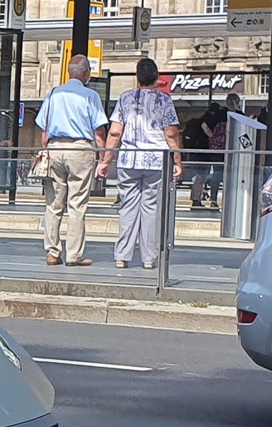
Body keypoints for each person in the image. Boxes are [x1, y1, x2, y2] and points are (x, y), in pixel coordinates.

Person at [104, 56, 181, 270]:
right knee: (151, 209)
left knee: (128, 207)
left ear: (137, 78)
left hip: (128, 160)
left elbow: (115, 131)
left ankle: (122, 256)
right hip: (157, 162)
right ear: (156, 77)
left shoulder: (125, 98)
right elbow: (172, 133)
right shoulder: (165, 100)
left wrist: (105, 160)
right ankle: (149, 258)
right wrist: (177, 161)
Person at [36, 54, 108, 266]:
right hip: (80, 149)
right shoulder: (91, 96)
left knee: (53, 203)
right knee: (77, 204)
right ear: (86, 74)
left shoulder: (54, 94)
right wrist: (103, 158)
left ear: (69, 72)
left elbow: (44, 129)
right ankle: (74, 254)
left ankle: (52, 252)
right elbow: (99, 130)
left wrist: (46, 151)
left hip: (55, 148)